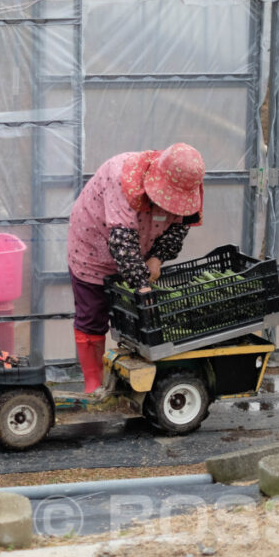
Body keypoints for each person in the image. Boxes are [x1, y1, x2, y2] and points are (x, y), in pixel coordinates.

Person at [67, 143, 204, 394]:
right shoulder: (123, 176)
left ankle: (132, 380)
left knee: (134, 316)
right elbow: (122, 242)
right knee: (92, 315)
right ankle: (93, 381)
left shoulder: (189, 184)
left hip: (140, 246)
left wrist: (157, 258)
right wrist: (141, 284)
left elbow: (181, 224)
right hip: (93, 249)